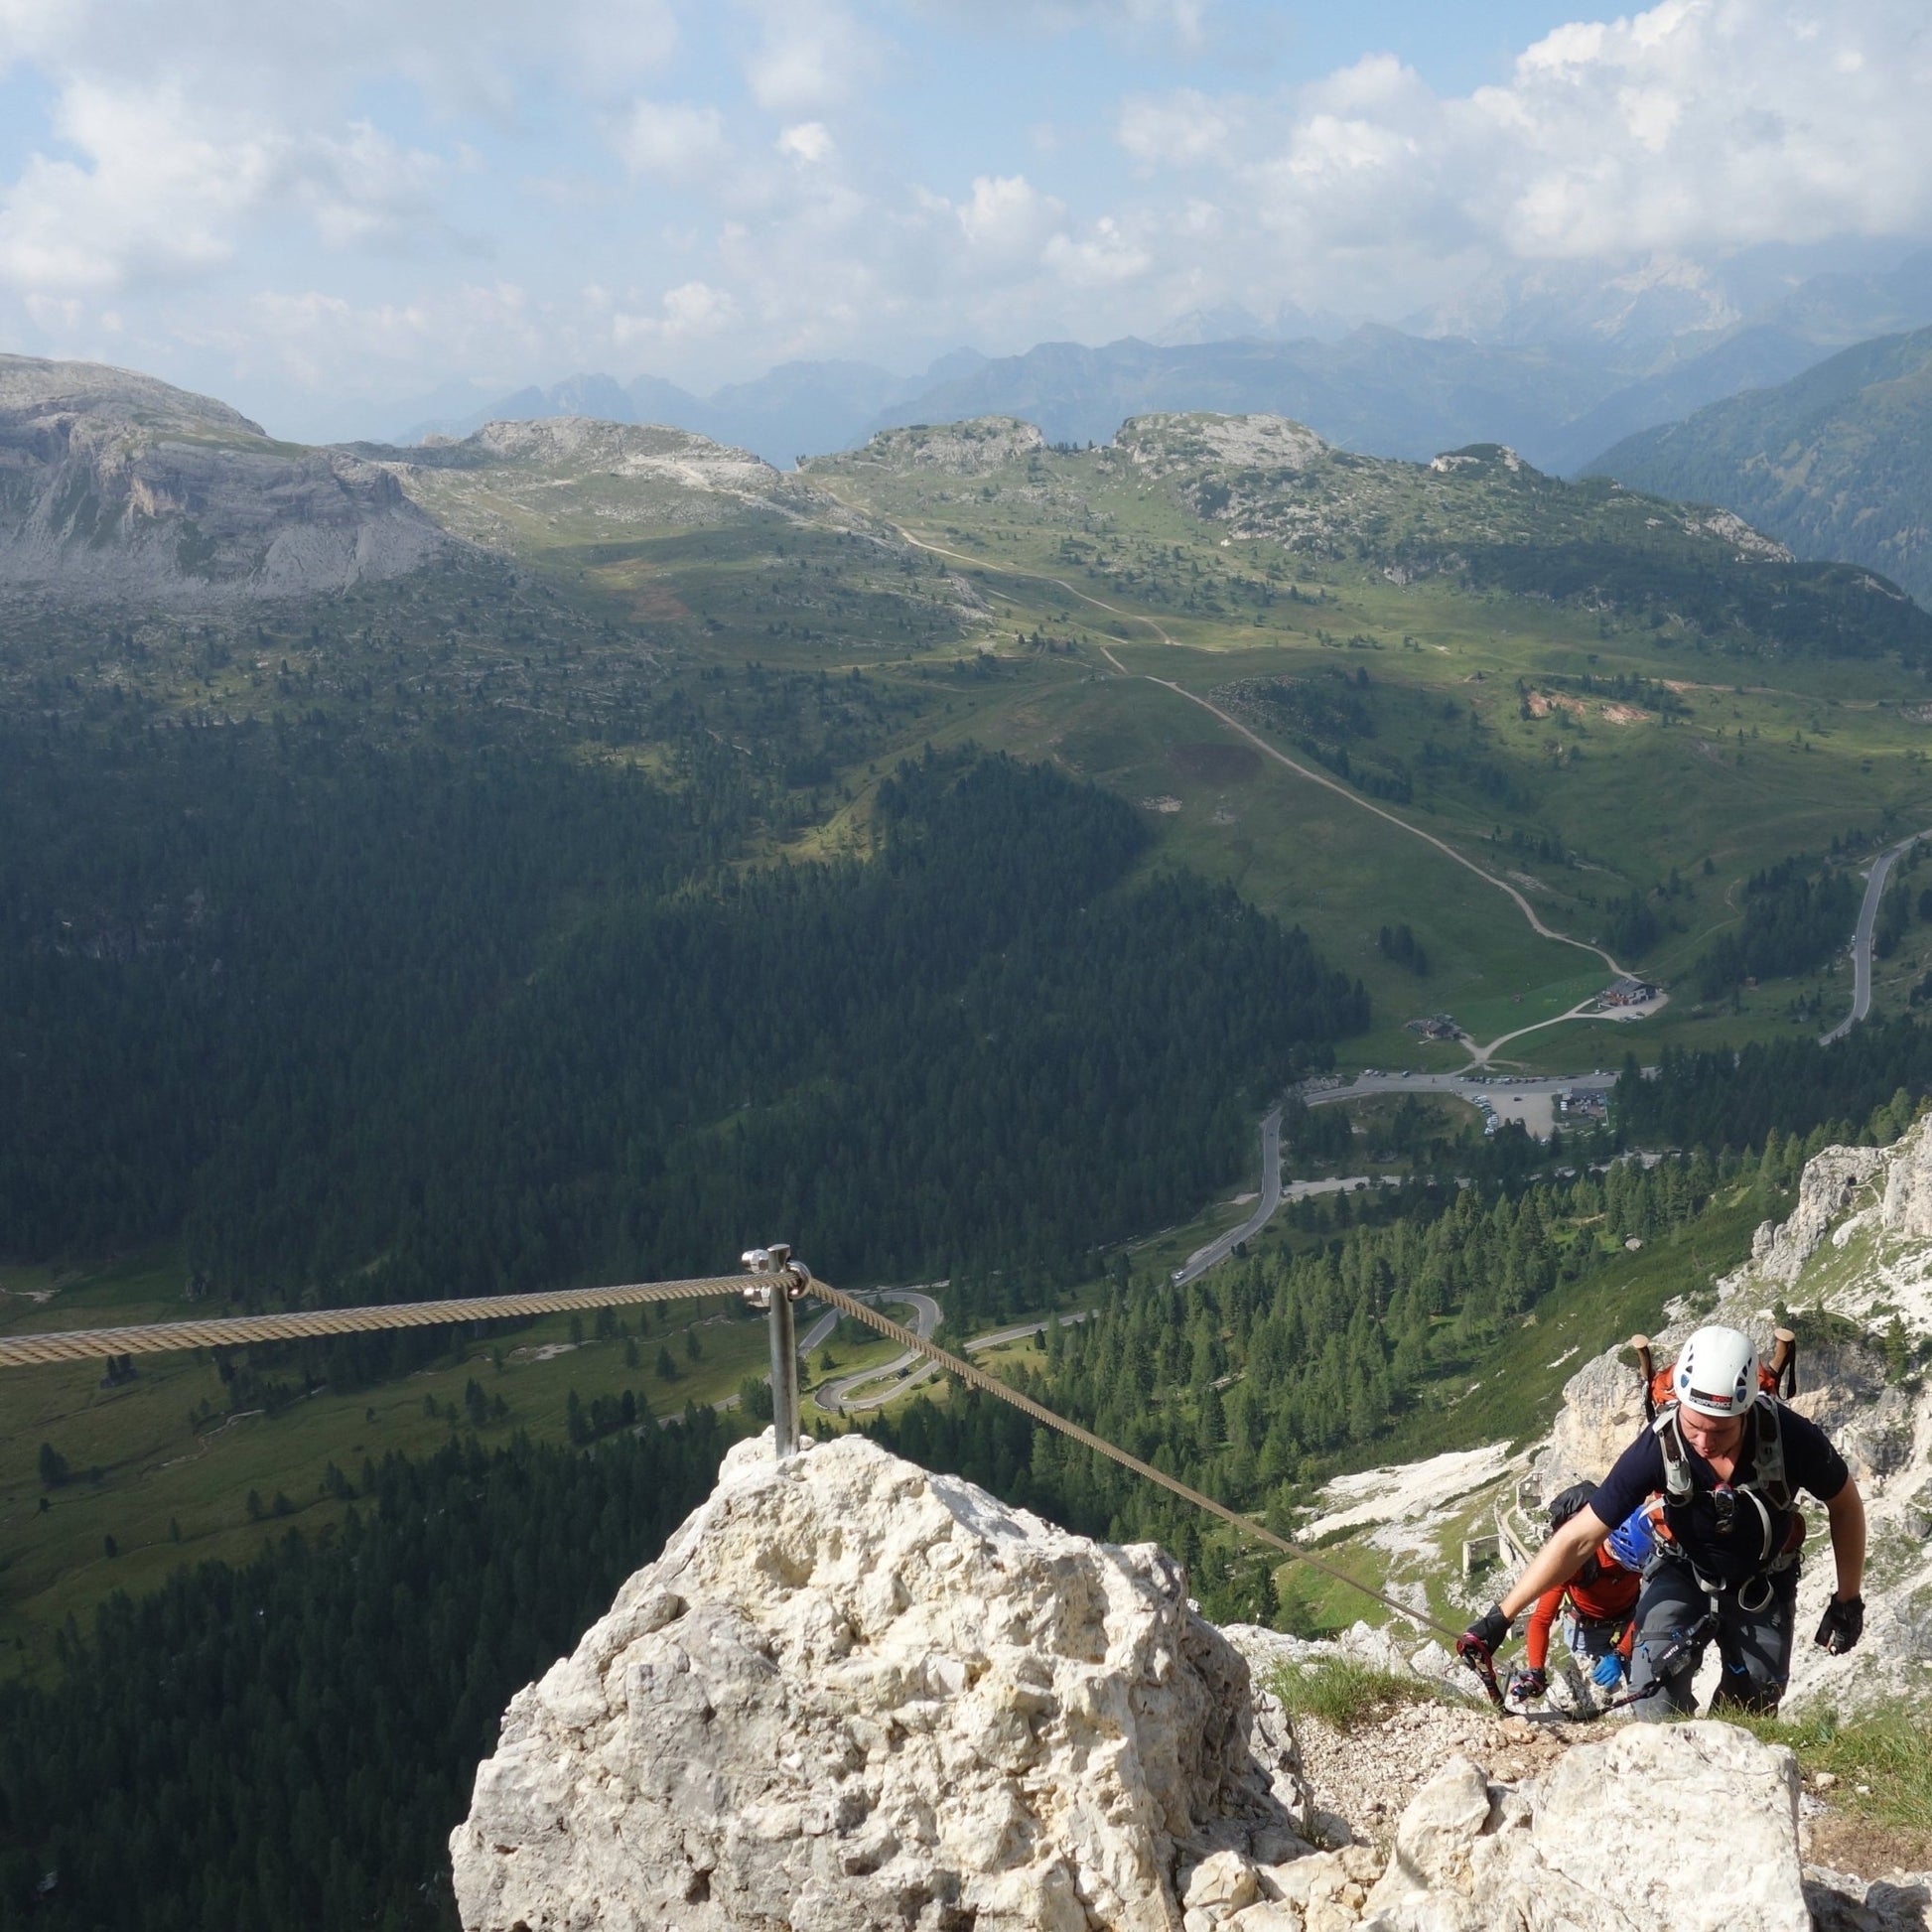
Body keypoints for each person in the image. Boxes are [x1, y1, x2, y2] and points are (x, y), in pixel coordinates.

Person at [1461, 1324, 1865, 1718]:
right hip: (1681, 1569)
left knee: (1755, 1706)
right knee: (1653, 1703)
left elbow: (1845, 1506)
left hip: (1763, 1582)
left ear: (1746, 1411)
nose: (1705, 1443)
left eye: (1720, 1430)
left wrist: (1848, 1600)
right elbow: (1580, 1537)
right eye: (1694, 1426)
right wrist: (1502, 1616)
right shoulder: (1658, 1443)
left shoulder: (1790, 1437)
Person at [1505, 1486, 1643, 1709]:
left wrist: (1622, 1651)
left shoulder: (1640, 1544)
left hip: (1631, 1617)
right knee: (1600, 1698)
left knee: (1640, 1685)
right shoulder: (1575, 1561)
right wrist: (1536, 1670)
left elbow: (1652, 1601)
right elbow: (1541, 1618)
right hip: (1588, 1630)